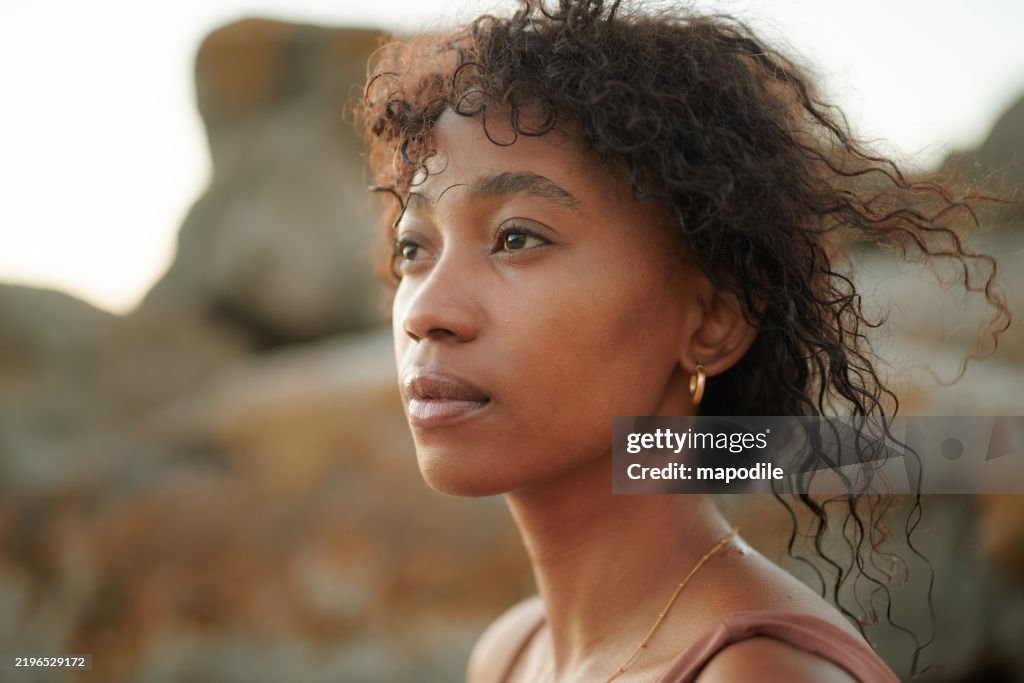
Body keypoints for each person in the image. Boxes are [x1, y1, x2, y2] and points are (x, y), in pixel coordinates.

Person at [355, 1, 1009, 680]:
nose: (425, 309)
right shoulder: (513, 654)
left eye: (517, 237)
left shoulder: (758, 672)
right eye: (413, 247)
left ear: (711, 323)